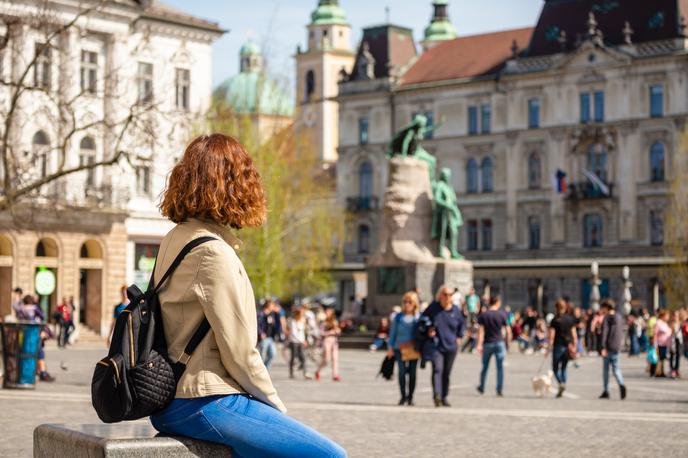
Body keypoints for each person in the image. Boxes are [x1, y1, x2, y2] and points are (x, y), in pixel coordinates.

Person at [149, 134, 345, 457]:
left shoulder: (175, 239)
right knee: (331, 456)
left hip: (172, 398)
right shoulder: (213, 253)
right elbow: (240, 353)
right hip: (204, 399)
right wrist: (275, 408)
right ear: (233, 185)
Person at [422, 285, 464, 407]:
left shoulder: (455, 310)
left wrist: (459, 337)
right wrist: (428, 328)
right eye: (445, 294)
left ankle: (444, 396)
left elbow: (461, 324)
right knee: (437, 369)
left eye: (450, 295)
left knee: (446, 372)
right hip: (436, 345)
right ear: (439, 295)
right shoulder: (433, 308)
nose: (447, 297)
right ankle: (437, 396)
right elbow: (423, 319)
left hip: (451, 346)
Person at [387, 291, 420, 406]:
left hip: (413, 349)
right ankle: (403, 396)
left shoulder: (418, 317)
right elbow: (392, 333)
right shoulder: (398, 317)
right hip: (399, 348)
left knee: (412, 373)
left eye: (410, 302)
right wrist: (390, 347)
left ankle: (411, 397)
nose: (407, 304)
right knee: (401, 373)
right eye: (405, 302)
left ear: (415, 303)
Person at [476, 296, 511, 396]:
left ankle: (482, 387)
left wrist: (479, 344)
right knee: (500, 368)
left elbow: (481, 331)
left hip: (487, 343)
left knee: (485, 367)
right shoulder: (503, 314)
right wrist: (507, 343)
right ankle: (499, 389)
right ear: (498, 302)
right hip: (499, 343)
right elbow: (508, 330)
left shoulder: (484, 315)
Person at [15, 295, 55, 382]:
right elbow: (43, 317)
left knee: (28, 353)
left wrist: (18, 299)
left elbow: (16, 312)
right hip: (34, 334)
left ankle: (35, 372)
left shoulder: (21, 309)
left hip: (24, 335)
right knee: (39, 352)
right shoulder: (35, 308)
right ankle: (43, 373)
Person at [548, 299, 578, 398]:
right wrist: (575, 346)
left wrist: (548, 348)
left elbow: (551, 336)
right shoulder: (570, 319)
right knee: (564, 367)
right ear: (565, 307)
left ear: (556, 308)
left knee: (555, 368)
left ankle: (561, 383)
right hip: (567, 347)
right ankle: (563, 383)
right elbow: (574, 335)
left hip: (558, 346)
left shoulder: (555, 320)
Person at [599, 299, 627, 400]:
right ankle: (621, 383)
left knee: (606, 370)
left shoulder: (607, 318)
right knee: (616, 368)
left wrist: (603, 347)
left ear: (606, 308)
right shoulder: (619, 317)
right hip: (616, 346)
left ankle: (606, 390)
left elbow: (605, 333)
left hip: (608, 347)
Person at [316, 307, 341, 382]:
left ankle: (335, 375)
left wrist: (337, 331)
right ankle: (318, 371)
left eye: (329, 312)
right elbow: (320, 333)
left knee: (335, 359)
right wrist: (329, 332)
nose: (328, 313)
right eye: (327, 312)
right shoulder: (322, 321)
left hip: (334, 341)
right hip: (326, 341)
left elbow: (338, 331)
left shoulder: (334, 321)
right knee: (326, 359)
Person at [287, 307, 309, 380]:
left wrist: (305, 340)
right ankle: (291, 373)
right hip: (294, 342)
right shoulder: (293, 322)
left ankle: (305, 373)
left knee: (303, 357)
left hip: (301, 342)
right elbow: (294, 333)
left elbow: (303, 332)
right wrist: (302, 341)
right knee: (293, 357)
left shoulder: (302, 321)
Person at [257, 300, 279, 370]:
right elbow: (257, 325)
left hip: (270, 338)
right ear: (268, 306)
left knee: (272, 354)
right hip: (264, 338)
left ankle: (265, 369)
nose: (273, 307)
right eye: (272, 305)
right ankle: (259, 371)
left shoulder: (271, 314)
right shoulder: (261, 314)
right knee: (262, 356)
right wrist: (261, 333)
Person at [654, 310, 671, 378]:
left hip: (665, 344)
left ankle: (662, 371)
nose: (668, 317)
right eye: (667, 316)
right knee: (660, 358)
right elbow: (655, 333)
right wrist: (655, 343)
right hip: (660, 343)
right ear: (662, 316)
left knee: (663, 358)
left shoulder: (665, 323)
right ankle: (659, 372)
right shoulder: (658, 323)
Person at [669, 310, 682, 379]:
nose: (675, 317)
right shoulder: (671, 324)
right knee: (672, 356)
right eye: (674, 316)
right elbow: (670, 333)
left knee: (678, 356)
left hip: (679, 341)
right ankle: (672, 370)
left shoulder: (680, 323)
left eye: (676, 316)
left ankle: (676, 369)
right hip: (672, 341)